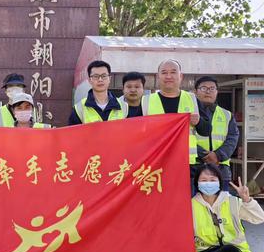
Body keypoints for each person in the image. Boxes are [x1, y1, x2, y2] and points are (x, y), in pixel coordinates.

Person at [192, 164, 264, 252]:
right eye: (204, 180)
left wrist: (247, 200)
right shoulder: (190, 206)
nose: (208, 183)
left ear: (219, 181)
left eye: (212, 180)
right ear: (197, 183)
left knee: (231, 251)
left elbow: (259, 218)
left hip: (229, 251)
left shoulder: (232, 201)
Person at [141, 59, 210, 192]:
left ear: (181, 76)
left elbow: (206, 130)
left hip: (185, 166)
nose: (168, 76)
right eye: (164, 72)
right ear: (158, 76)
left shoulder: (192, 99)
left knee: (184, 207)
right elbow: (136, 133)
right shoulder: (146, 101)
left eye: (173, 72)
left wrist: (198, 122)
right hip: (156, 164)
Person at [195, 76, 239, 191]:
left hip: (221, 169)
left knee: (221, 204)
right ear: (196, 91)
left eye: (212, 88)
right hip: (195, 167)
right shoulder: (188, 113)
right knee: (194, 205)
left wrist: (217, 155)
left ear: (217, 92)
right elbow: (183, 138)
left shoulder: (227, 115)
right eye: (204, 88)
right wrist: (204, 155)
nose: (208, 91)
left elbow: (232, 138)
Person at [69, 60, 128, 125]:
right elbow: (72, 134)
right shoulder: (79, 108)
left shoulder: (124, 106)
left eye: (104, 76)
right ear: (89, 80)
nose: (100, 79)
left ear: (109, 79)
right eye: (95, 76)